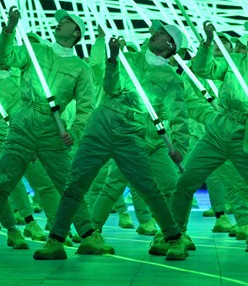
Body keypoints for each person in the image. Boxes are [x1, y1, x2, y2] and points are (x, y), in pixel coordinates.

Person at [33, 23, 190, 261]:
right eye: (157, 31)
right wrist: (113, 60)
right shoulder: (129, 59)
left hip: (131, 132)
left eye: (161, 34)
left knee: (148, 188)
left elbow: (179, 117)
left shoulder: (171, 79)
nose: (155, 34)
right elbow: (110, 88)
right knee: (75, 183)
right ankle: (55, 240)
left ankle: (174, 238)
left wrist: (180, 147)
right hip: (102, 123)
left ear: (170, 45)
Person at [0, 8, 103, 259]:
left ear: (76, 33)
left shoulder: (81, 68)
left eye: (66, 21)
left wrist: (75, 131)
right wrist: (9, 29)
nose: (60, 23)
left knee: (67, 184)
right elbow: (3, 56)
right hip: (23, 122)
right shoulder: (35, 51)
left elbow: (86, 107)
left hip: (52, 128)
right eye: (60, 20)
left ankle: (86, 235)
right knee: (2, 181)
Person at [170, 20, 248, 250]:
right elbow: (203, 70)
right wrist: (207, 44)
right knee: (185, 182)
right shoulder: (234, 61)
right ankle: (175, 236)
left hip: (245, 136)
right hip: (217, 131)